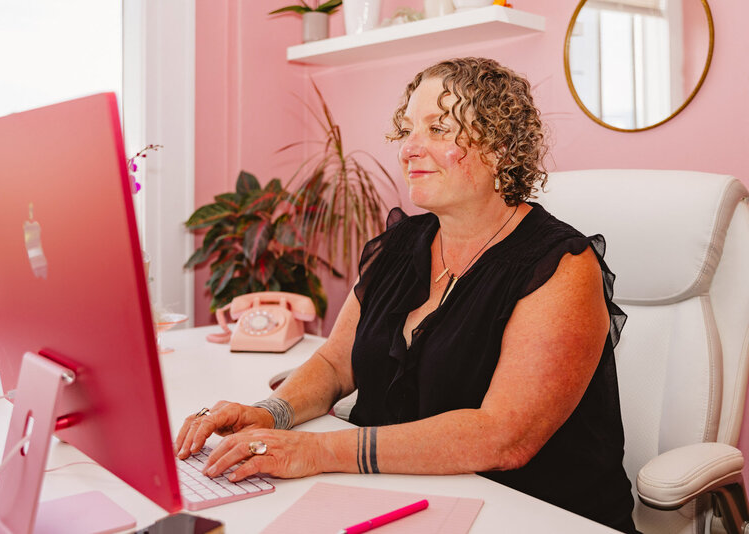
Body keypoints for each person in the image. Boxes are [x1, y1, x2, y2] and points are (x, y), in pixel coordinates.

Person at [175, 57, 637, 533]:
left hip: (532, 514)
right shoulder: (401, 245)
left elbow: (504, 437)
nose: (409, 149)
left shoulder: (561, 265)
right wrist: (268, 413)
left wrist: (318, 451)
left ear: (500, 147)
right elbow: (337, 363)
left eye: (438, 128)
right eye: (408, 129)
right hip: (404, 495)